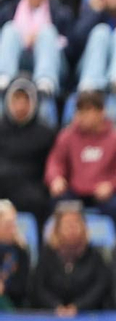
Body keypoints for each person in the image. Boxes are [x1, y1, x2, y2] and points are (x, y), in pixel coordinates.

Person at [46, 90, 116, 226]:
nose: (83, 116)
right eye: (80, 111)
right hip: (75, 190)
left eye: (88, 110)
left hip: (105, 193)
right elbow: (56, 162)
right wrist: (56, 178)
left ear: (101, 112)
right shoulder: (67, 136)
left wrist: (112, 185)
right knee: (57, 201)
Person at [0, 0, 72, 97]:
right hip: (20, 57)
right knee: (10, 29)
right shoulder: (8, 11)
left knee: (48, 32)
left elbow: (71, 45)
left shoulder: (61, 13)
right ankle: (4, 76)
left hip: (51, 60)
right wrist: (25, 40)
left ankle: (45, 81)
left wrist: (40, 39)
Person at [30, 202, 114, 314]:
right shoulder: (47, 255)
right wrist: (56, 307)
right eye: (67, 225)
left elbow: (100, 287)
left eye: (75, 224)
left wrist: (78, 307)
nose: (72, 229)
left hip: (89, 315)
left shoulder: (94, 256)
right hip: (50, 315)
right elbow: (39, 288)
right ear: (57, 228)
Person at [0, 78, 55, 220]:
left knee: (39, 201)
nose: (20, 106)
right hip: (2, 182)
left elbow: (51, 166)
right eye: (16, 99)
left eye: (25, 100)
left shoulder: (46, 134)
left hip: (30, 188)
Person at [0, 200, 31, 308]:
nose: (12, 230)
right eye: (7, 225)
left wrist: (4, 288)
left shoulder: (21, 250)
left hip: (15, 305)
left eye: (14, 224)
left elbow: (23, 286)